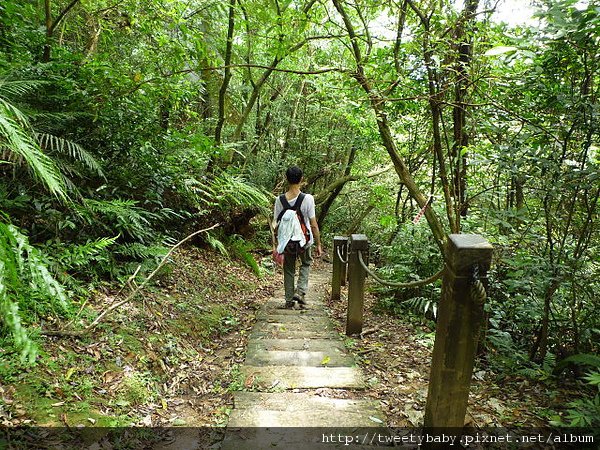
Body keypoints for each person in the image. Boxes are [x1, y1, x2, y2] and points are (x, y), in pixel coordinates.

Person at [273, 166, 322, 308]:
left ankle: (289, 300)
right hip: (304, 240)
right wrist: (318, 243)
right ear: (301, 179)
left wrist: (275, 244)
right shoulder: (308, 199)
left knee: (288, 268)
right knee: (306, 263)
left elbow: (275, 224)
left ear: (286, 179)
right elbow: (313, 224)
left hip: (287, 241)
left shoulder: (279, 200)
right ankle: (300, 292)